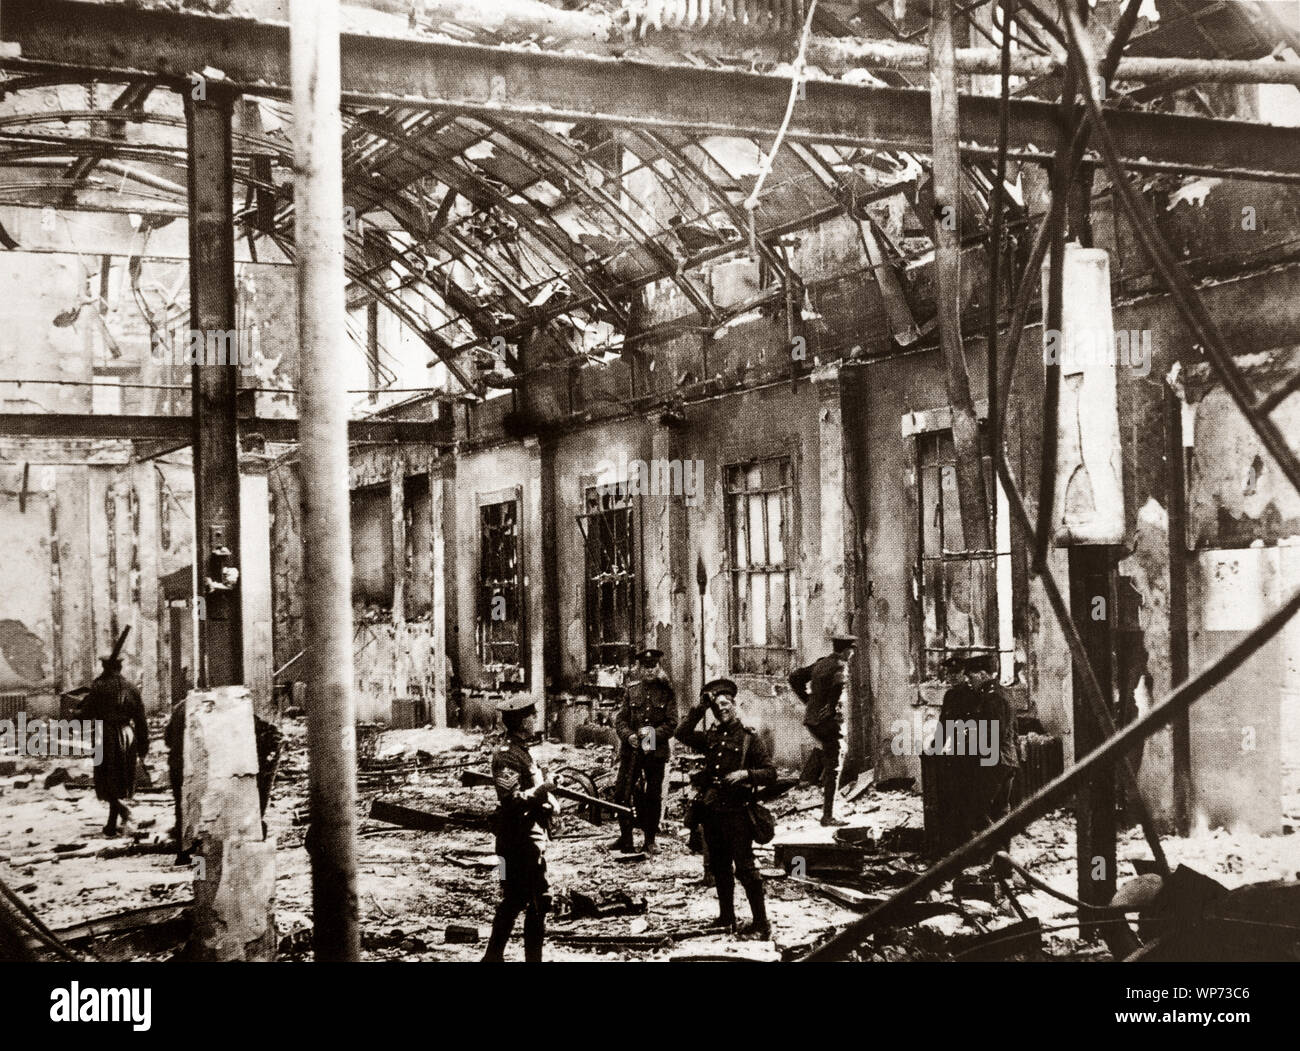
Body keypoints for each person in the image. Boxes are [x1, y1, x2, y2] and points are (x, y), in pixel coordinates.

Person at [675, 678, 776, 940]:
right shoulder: (711, 737)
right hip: (712, 813)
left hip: (738, 813)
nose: (722, 710)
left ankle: (761, 923)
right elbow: (681, 733)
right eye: (717, 707)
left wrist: (746, 774)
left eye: (725, 704)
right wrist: (700, 708)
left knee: (745, 869)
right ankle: (726, 918)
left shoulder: (749, 738)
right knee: (720, 867)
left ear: (734, 704)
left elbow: (770, 773)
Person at [482, 696, 554, 963]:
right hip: (517, 841)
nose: (535, 719)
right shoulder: (507, 755)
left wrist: (549, 800)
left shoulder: (523, 751)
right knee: (535, 900)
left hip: (524, 838)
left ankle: (492, 957)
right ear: (522, 722)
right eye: (532, 716)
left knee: (515, 899)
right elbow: (511, 800)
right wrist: (543, 790)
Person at [610, 648, 676, 854]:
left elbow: (672, 723)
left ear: (658, 667)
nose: (649, 670)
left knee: (653, 796)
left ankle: (650, 840)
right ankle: (626, 838)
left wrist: (650, 738)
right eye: (645, 667)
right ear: (640, 669)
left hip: (655, 753)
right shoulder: (632, 690)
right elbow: (620, 720)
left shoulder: (667, 692)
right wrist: (628, 735)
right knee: (622, 793)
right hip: (631, 752)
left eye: (653, 666)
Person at [78, 654, 149, 837]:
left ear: (104, 667)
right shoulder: (131, 688)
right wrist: (143, 747)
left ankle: (119, 814)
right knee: (120, 778)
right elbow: (141, 720)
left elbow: (86, 714)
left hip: (105, 734)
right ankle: (115, 819)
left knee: (105, 779)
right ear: (120, 667)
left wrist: (78, 712)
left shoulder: (99, 686)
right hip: (127, 735)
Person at [788, 635, 856, 827]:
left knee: (829, 756)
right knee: (834, 767)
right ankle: (828, 816)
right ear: (846, 651)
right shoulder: (841, 666)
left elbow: (794, 678)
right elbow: (837, 690)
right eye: (851, 650)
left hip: (813, 721)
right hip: (828, 723)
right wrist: (831, 707)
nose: (852, 654)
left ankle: (829, 803)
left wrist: (809, 701)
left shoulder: (820, 663)